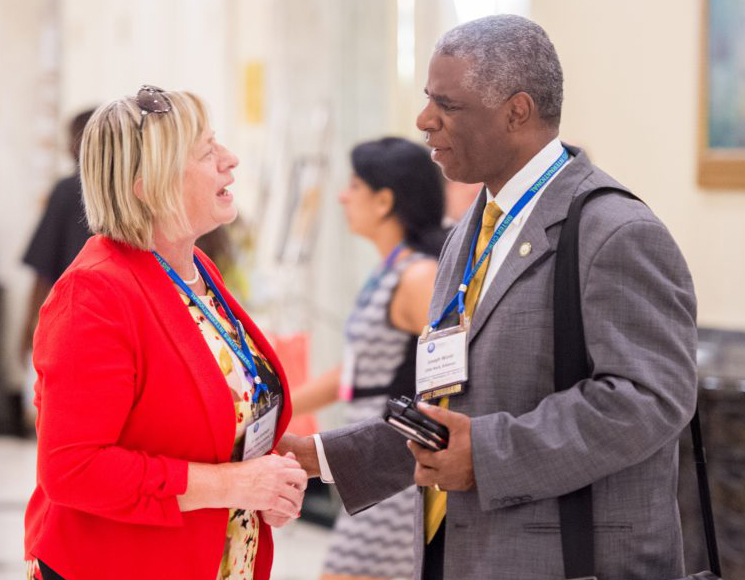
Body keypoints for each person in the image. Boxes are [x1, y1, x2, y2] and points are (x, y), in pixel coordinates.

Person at [278, 15, 697, 580]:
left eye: (447, 105)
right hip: (464, 555)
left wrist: (488, 455)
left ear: (516, 111)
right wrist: (322, 457)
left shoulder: (615, 231)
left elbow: (649, 399)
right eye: (429, 99)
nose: (424, 120)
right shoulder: (472, 231)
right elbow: (456, 414)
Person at [23, 87, 307, 580]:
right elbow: (73, 469)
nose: (230, 160)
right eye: (207, 151)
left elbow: (214, 420)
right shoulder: (95, 294)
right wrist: (233, 486)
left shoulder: (194, 268)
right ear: (148, 185)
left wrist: (269, 484)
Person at [291, 137, 445, 580]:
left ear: (384, 201)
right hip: (370, 474)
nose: (342, 195)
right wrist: (277, 409)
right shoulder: (390, 270)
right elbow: (356, 373)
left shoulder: (418, 276)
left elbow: (453, 376)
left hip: (395, 477)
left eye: (354, 185)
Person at [20, 108, 96, 362]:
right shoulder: (132, 190)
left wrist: (28, 329)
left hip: (71, 316)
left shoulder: (67, 190)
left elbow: (44, 268)